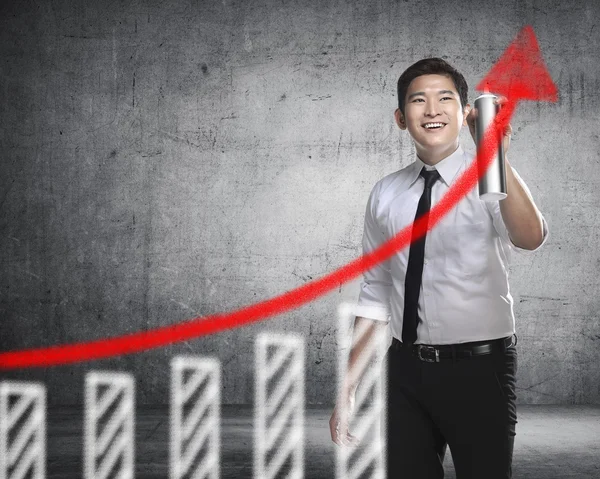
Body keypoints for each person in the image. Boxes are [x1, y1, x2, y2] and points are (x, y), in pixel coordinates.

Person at [329, 57, 549, 479]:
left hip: (481, 370)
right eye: (419, 100)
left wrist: (495, 152)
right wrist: (350, 386)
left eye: (445, 98)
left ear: (465, 112)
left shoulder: (491, 179)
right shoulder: (386, 193)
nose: (432, 110)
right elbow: (375, 293)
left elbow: (530, 237)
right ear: (400, 117)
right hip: (405, 370)